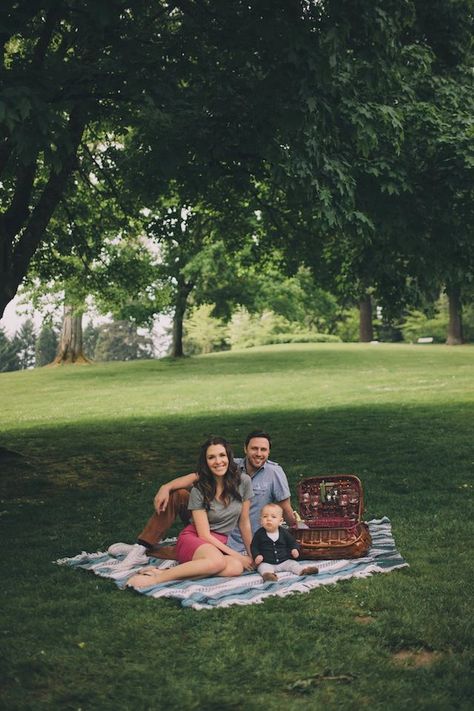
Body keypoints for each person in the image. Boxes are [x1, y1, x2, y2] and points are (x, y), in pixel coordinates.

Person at [109, 430, 297, 570]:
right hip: (210, 521)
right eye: (254, 448)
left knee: (191, 552)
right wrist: (166, 486)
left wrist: (298, 530)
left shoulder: (274, 473)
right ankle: (142, 546)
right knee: (178, 495)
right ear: (245, 449)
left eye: (263, 450)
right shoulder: (229, 464)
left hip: (235, 537)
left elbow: (285, 508)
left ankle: (144, 550)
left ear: (269, 451)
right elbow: (194, 477)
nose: (258, 453)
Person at [127, 436, 253, 588]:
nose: (218, 461)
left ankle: (163, 571)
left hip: (218, 543)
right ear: (206, 462)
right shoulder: (199, 489)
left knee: (236, 568)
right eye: (211, 457)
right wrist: (238, 555)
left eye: (222, 455)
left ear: (229, 457)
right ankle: (157, 578)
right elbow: (204, 535)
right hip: (195, 538)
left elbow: (244, 522)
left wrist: (252, 555)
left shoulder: (244, 482)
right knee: (219, 562)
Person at [250, 503, 319, 582]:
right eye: (265, 516)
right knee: (262, 567)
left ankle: (302, 571)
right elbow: (253, 546)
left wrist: (294, 549)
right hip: (267, 562)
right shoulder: (259, 534)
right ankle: (268, 576)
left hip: (284, 560)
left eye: (273, 517)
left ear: (280, 521)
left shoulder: (284, 532)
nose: (268, 519)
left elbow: (293, 542)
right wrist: (257, 555)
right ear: (261, 521)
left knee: (293, 564)